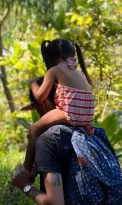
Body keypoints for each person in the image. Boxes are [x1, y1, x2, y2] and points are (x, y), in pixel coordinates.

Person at [12, 43, 122, 205]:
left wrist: (26, 186)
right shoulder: (94, 132)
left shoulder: (49, 140)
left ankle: (25, 172)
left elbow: (54, 203)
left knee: (34, 129)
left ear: (39, 105)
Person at [22, 39, 95, 175]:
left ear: (51, 57)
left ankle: (26, 170)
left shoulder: (54, 70)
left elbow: (39, 97)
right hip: (87, 117)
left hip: (69, 113)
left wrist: (32, 83)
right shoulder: (79, 72)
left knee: (34, 129)